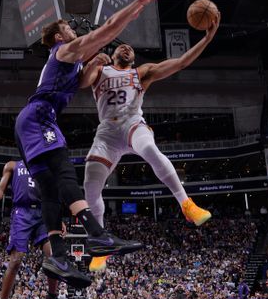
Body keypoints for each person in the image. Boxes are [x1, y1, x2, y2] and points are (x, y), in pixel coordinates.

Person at [14, 0, 167, 287]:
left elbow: (81, 83)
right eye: (68, 27)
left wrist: (95, 62)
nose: (73, 29)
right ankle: (97, 235)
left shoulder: (69, 60)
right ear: (59, 36)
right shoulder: (65, 49)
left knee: (49, 190)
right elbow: (109, 29)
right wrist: (140, 1)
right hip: (40, 118)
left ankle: (57, 256)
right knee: (65, 173)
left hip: (30, 121)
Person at [81, 14, 220, 272]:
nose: (126, 47)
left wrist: (207, 39)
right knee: (90, 186)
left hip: (132, 123)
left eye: (130, 48)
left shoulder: (142, 73)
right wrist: (91, 61)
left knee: (148, 149)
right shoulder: (100, 70)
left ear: (133, 59)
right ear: (113, 55)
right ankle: (99, 244)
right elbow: (81, 82)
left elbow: (179, 63)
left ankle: (186, 204)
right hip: (107, 133)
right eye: (121, 46)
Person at [0, 160, 63, 299]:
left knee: (53, 257)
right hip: (22, 213)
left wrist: (58, 218)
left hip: (42, 213)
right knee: (16, 261)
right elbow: (0, 191)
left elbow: (51, 195)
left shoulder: (45, 166)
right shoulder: (12, 165)